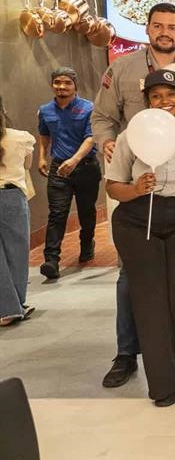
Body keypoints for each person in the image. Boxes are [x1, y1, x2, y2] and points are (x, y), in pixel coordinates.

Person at [91, 2, 175, 390]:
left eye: (172, 26)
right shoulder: (122, 69)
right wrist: (107, 143)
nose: (165, 31)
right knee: (136, 285)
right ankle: (128, 353)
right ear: (147, 28)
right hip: (138, 194)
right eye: (158, 25)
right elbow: (103, 117)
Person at [105, 69, 175, 406]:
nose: (164, 101)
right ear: (147, 101)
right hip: (139, 220)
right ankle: (164, 384)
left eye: (171, 94)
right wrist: (136, 189)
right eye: (156, 96)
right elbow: (113, 186)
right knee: (151, 303)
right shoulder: (131, 135)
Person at [36, 67, 101, 280]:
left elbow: (91, 138)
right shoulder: (45, 110)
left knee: (86, 212)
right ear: (52, 85)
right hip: (59, 169)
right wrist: (42, 157)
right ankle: (51, 260)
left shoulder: (88, 108)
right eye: (57, 82)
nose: (61, 86)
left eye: (66, 83)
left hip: (86, 167)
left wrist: (74, 160)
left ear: (75, 86)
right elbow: (44, 135)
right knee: (57, 213)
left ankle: (87, 243)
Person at [0, 96, 36, 327]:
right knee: (17, 252)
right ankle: (15, 305)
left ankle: (6, 307)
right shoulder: (21, 137)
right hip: (11, 196)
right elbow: (27, 166)